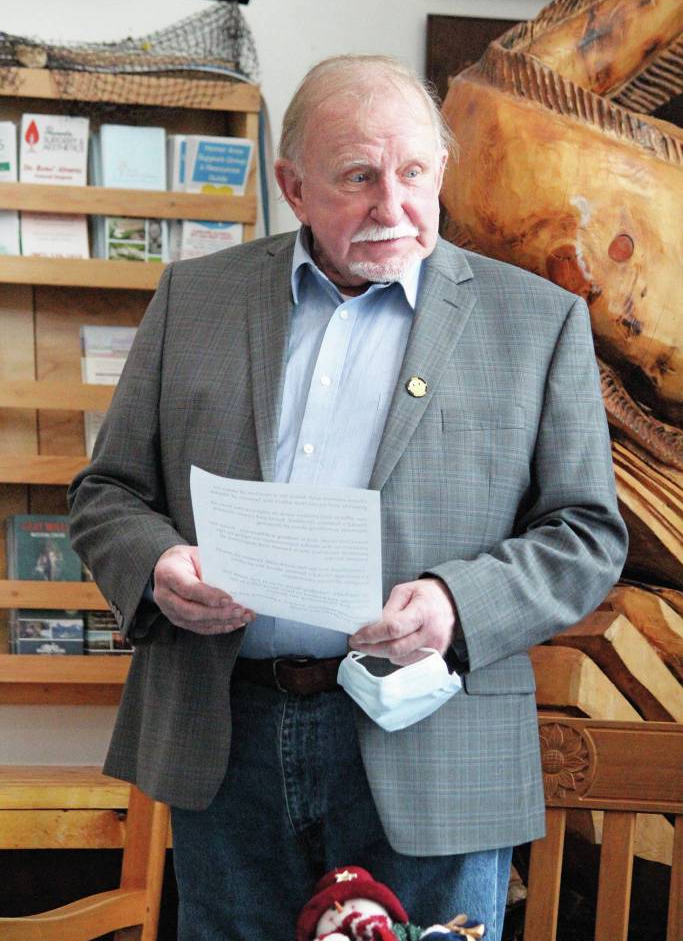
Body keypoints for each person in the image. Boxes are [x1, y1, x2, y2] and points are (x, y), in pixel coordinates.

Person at [68, 54, 627, 941]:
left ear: (441, 171)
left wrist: (455, 602)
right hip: (229, 733)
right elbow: (109, 492)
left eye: (412, 173)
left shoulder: (535, 321)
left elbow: (586, 534)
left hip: (432, 739)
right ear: (293, 186)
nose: (391, 205)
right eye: (357, 177)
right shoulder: (195, 299)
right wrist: (158, 564)